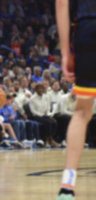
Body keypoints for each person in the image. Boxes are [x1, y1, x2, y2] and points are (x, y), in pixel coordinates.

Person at [56, 0, 96, 199]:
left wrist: (65, 53)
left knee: (81, 112)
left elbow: (62, 3)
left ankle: (67, 186)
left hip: (87, 26)